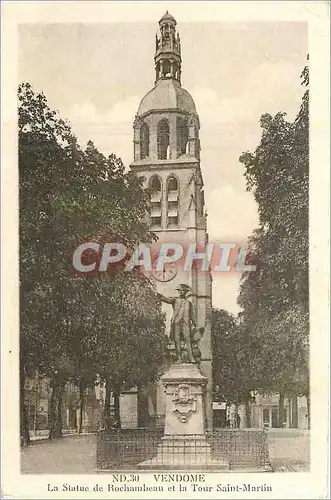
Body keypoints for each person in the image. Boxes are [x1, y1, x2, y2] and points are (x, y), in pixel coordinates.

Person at [157, 284, 196, 363]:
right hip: (176, 323)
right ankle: (179, 358)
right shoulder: (175, 300)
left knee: (188, 340)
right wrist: (158, 295)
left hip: (186, 323)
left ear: (186, 292)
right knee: (177, 340)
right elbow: (167, 300)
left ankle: (191, 358)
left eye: (183, 290)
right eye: (179, 290)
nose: (181, 292)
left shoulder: (189, 303)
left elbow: (192, 314)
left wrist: (195, 323)